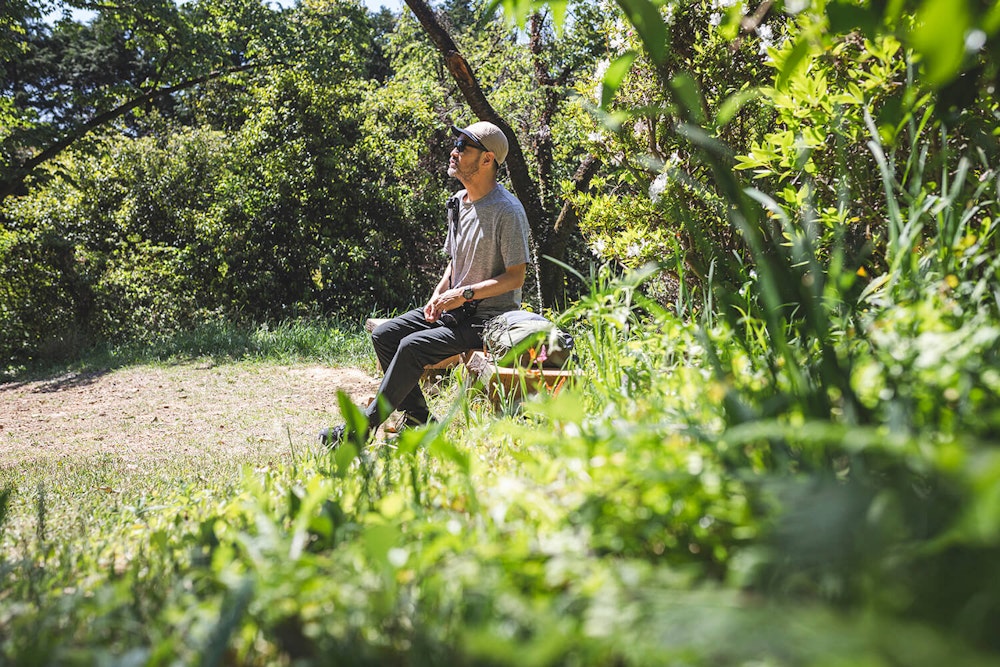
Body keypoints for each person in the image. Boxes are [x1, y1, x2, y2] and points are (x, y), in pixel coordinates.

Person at [320, 121, 531, 447]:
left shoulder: (508, 211)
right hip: (454, 309)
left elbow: (516, 277)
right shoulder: (458, 202)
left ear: (487, 159)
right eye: (456, 143)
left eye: (463, 146)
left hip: (488, 320)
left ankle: (363, 428)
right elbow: (455, 261)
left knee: (411, 347)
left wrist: (463, 294)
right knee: (386, 335)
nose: (454, 151)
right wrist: (438, 295)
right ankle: (420, 421)